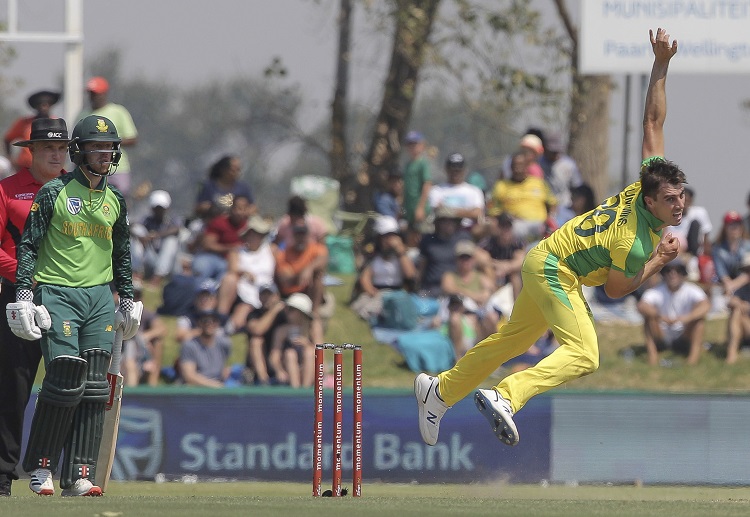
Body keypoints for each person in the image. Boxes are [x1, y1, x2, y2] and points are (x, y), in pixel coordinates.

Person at [414, 28, 683, 449]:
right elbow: (615, 290)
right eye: (671, 199)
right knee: (585, 353)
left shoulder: (645, 183)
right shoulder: (635, 241)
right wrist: (659, 262)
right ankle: (507, 394)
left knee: (512, 340)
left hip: (545, 260)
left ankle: (441, 391)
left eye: (681, 196)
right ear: (651, 198)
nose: (679, 205)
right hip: (556, 270)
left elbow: (652, 121)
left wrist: (662, 63)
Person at [7, 115, 140, 496]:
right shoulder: (53, 192)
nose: (106, 154)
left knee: (96, 386)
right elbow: (28, 245)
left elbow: (123, 253)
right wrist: (25, 295)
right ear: (80, 151)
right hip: (59, 292)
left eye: (111, 147)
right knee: (65, 377)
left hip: (99, 296)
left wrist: (127, 297)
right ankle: (41, 467)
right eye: (98, 147)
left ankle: (81, 473)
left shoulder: (115, 198)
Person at [0, 118, 68, 497]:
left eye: (61, 149)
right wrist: (30, 278)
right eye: (48, 149)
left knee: (68, 389)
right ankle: (3, 475)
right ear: (32, 152)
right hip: (18, 299)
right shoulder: (7, 190)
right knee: (14, 388)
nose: (56, 155)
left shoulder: (81, 189)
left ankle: (50, 469)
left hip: (69, 301)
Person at [637, 260, 710, 366]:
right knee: (648, 318)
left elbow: (706, 305)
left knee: (698, 321)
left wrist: (687, 318)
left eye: (678, 271)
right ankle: (652, 357)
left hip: (684, 334)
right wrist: (660, 317)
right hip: (661, 334)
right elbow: (642, 306)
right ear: (664, 274)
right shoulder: (657, 291)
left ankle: (692, 360)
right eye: (668, 271)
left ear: (683, 274)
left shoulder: (692, 290)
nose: (673, 274)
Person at [350, 215, 416, 325]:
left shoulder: (402, 256)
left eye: (392, 236)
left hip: (396, 293)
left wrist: (400, 252)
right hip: (377, 292)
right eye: (386, 237)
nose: (389, 240)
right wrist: (372, 291)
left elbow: (410, 274)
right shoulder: (374, 257)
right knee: (362, 303)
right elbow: (365, 278)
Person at [439, 240, 498, 360]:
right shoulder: (450, 276)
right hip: (457, 316)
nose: (465, 262)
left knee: (492, 317)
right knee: (455, 319)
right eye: (462, 258)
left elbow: (491, 288)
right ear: (456, 260)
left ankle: (491, 358)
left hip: (477, 317)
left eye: (468, 258)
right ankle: (458, 358)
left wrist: (485, 294)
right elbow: (448, 287)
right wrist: (474, 295)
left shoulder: (480, 277)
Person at [79, 77, 138, 196]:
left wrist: (109, 143)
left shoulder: (118, 111)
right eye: (91, 94)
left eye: (95, 94)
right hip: (90, 167)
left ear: (104, 94)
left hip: (117, 168)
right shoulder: (83, 114)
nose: (92, 97)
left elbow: (133, 139)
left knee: (118, 201)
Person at [216, 215, 275, 334]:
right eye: (251, 234)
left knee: (241, 314)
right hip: (241, 289)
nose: (254, 237)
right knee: (229, 279)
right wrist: (244, 272)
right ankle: (220, 318)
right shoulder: (237, 251)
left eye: (257, 234)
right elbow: (232, 269)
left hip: (262, 291)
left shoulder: (271, 250)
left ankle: (229, 328)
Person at [489, 151, 557, 242]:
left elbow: (552, 203)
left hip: (540, 224)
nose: (517, 168)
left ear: (527, 166)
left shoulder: (539, 183)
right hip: (516, 224)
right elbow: (494, 212)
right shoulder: (501, 186)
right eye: (515, 165)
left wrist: (550, 218)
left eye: (520, 165)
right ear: (510, 167)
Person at [191, 194, 253, 283]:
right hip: (214, 258)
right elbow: (207, 245)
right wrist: (230, 248)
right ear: (231, 208)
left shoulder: (250, 227)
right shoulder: (219, 222)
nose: (239, 212)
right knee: (201, 266)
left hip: (238, 263)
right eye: (237, 208)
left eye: (243, 209)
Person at [130, 189, 182, 287]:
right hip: (150, 258)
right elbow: (133, 227)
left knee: (172, 240)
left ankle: (158, 277)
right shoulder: (147, 220)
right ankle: (137, 272)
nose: (158, 211)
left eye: (161, 208)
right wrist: (142, 237)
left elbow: (177, 229)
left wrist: (157, 235)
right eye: (156, 208)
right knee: (138, 230)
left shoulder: (172, 220)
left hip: (169, 264)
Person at [3, 89, 61, 172]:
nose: (43, 107)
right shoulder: (25, 123)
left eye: (46, 104)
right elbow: (7, 139)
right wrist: (11, 159)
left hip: (48, 168)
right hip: (25, 168)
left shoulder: (56, 123)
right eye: (40, 104)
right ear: (36, 106)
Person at [121, 282, 166, 386]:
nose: (133, 300)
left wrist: (144, 336)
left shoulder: (144, 313)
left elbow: (162, 329)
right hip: (119, 351)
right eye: (130, 296)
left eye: (137, 296)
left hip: (140, 352)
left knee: (157, 343)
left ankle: (152, 388)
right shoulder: (117, 312)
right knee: (129, 360)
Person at [268, 292, 316, 388]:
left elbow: (320, 352)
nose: (287, 311)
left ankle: (306, 390)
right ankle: (295, 389)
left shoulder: (312, 328)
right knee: (290, 354)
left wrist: (307, 344)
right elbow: (274, 355)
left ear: (301, 313)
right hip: (289, 369)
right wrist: (279, 370)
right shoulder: (282, 330)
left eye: (292, 309)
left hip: (309, 368)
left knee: (310, 352)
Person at [428, 153, 485, 229]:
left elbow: (478, 214)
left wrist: (449, 211)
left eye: (458, 170)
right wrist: (468, 212)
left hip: (467, 229)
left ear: (465, 170)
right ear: (446, 169)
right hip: (444, 229)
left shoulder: (474, 191)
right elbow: (437, 211)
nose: (455, 173)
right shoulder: (436, 190)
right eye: (452, 170)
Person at [177, 310, 233, 388]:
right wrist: (214, 385)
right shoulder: (189, 345)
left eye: (213, 321)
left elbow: (225, 367)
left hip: (218, 385)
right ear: (199, 323)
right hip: (196, 387)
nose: (209, 324)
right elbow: (189, 376)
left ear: (218, 324)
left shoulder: (224, 343)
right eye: (205, 321)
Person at [245, 284, 286, 385]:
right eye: (264, 295)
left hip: (279, 357)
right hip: (257, 361)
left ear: (277, 296)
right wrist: (274, 310)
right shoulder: (254, 314)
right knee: (256, 341)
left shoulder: (284, 315)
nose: (267, 298)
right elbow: (257, 330)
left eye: (270, 295)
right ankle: (263, 380)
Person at [194, 155, 255, 220]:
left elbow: (253, 207)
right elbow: (198, 208)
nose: (237, 173)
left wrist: (244, 212)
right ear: (223, 170)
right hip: (213, 222)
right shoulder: (209, 186)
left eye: (238, 170)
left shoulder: (243, 188)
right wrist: (208, 207)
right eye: (233, 170)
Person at [538, 133, 583, 210]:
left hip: (563, 206)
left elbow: (577, 187)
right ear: (545, 148)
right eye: (552, 152)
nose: (555, 154)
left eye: (557, 151)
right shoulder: (538, 162)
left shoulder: (569, 165)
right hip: (541, 205)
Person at [712, 210, 750, 297]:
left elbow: (748, 273)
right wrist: (729, 287)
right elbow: (722, 275)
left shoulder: (748, 246)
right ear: (725, 228)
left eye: (737, 224)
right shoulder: (717, 249)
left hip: (745, 287)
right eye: (731, 225)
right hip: (726, 288)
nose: (735, 228)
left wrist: (732, 286)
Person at [402, 131, 432, 232]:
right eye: (409, 145)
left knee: (422, 234)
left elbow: (427, 184)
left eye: (415, 144)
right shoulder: (407, 165)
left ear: (422, 145)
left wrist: (421, 207)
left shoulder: (422, 164)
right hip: (409, 208)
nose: (412, 147)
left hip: (419, 207)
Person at [725, 252, 750, 364]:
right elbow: (731, 301)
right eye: (747, 271)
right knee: (736, 311)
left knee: (737, 312)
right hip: (745, 327)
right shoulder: (744, 288)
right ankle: (732, 351)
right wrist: (739, 304)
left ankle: (732, 352)